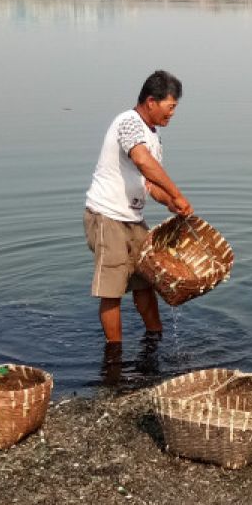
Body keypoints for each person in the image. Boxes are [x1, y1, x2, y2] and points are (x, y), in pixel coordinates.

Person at [84, 69, 193, 344]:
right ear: (150, 101)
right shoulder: (129, 122)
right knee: (112, 290)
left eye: (175, 108)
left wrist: (171, 203)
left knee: (146, 281)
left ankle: (155, 339)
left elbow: (150, 184)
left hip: (133, 218)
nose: (172, 114)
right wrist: (177, 193)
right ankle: (114, 357)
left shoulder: (154, 137)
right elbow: (142, 161)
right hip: (107, 215)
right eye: (170, 107)